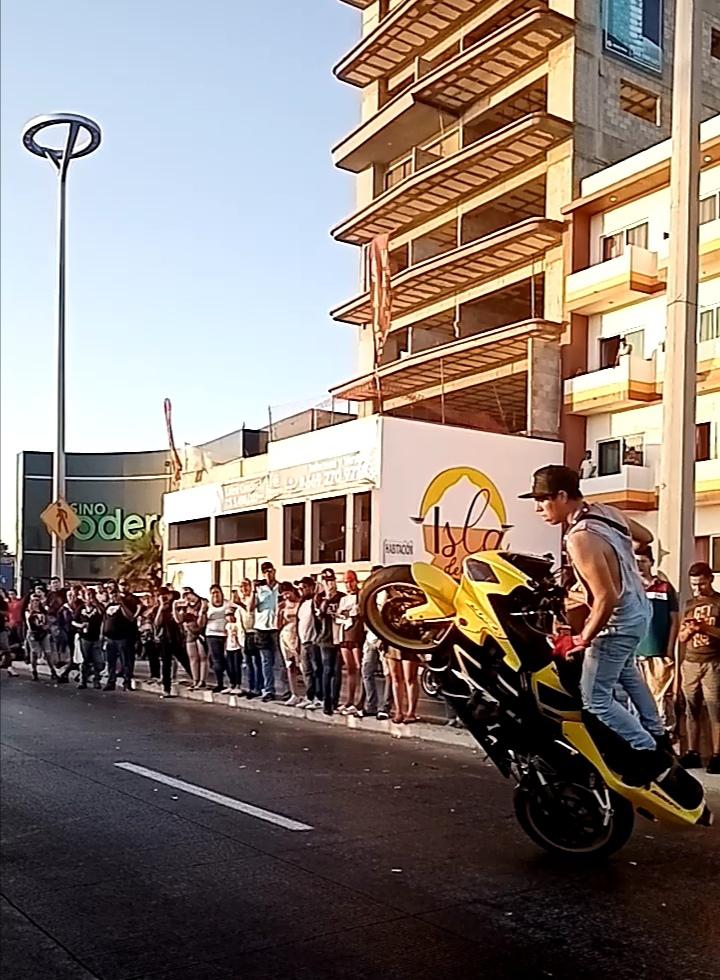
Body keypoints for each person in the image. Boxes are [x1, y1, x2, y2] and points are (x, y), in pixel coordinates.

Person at [520, 464, 667, 784]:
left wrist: (583, 638)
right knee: (627, 673)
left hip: (618, 620)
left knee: (595, 699)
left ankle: (644, 751)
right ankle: (657, 733)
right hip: (640, 611)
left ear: (561, 496)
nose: (537, 509)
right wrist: (616, 559)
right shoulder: (607, 512)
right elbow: (646, 537)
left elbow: (605, 598)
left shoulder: (579, 538)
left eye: (542, 500)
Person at [678, 562, 720, 775]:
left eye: (701, 584)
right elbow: (681, 637)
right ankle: (692, 751)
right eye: (694, 585)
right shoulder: (688, 604)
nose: (697, 589)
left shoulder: (719, 602)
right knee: (690, 708)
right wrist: (690, 631)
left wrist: (705, 628)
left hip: (713, 663)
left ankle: (717, 754)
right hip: (691, 662)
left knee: (715, 709)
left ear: (710, 580)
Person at [635, 549, 680, 730]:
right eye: (636, 561)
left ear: (652, 563)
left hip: (657, 652)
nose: (639, 565)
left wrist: (669, 649)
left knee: (660, 696)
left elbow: (675, 620)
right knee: (636, 697)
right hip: (634, 652)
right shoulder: (630, 587)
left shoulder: (665, 587)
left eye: (643, 561)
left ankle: (665, 734)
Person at [252, 562, 284, 702]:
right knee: (266, 661)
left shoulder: (280, 587)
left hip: (276, 627)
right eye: (265, 572)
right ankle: (269, 689)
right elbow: (251, 607)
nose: (268, 574)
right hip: (262, 627)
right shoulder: (259, 588)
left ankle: (286, 689)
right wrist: (254, 590)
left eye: (270, 571)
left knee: (280, 660)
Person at [315, 569, 345, 716]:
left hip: (339, 638)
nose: (330, 583)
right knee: (327, 670)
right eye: (326, 581)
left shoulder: (342, 597)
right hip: (326, 638)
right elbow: (320, 614)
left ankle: (335, 700)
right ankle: (326, 702)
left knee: (337, 671)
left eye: (332, 580)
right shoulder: (319, 598)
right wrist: (327, 598)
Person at [336, 570, 364, 715]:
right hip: (345, 634)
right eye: (346, 582)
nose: (348, 584)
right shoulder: (344, 599)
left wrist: (351, 613)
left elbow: (359, 612)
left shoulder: (361, 596)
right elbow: (339, 616)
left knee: (360, 667)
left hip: (357, 634)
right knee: (350, 668)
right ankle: (349, 699)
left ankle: (360, 700)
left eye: (350, 581)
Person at [102, 582, 138, 692]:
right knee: (111, 662)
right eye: (112, 596)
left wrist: (122, 604)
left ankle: (127, 682)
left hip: (122, 637)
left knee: (125, 661)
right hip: (110, 638)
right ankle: (111, 681)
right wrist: (102, 635)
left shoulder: (126, 604)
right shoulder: (109, 606)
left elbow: (130, 618)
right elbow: (104, 620)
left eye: (115, 595)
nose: (114, 598)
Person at [173, 588, 208, 690]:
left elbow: (201, 623)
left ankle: (202, 680)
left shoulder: (202, 603)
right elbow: (179, 620)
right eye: (184, 595)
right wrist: (174, 608)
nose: (186, 596)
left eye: (188, 594)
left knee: (202, 657)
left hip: (200, 632)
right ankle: (195, 680)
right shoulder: (185, 606)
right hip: (190, 632)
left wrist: (201, 611)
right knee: (193, 657)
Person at [297, 576, 322, 710]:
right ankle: (310, 696)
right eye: (300, 588)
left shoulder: (314, 601)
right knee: (307, 671)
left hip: (313, 641)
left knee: (317, 670)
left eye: (304, 587)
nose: (302, 590)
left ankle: (319, 697)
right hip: (303, 641)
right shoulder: (302, 603)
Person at [74, 589, 105, 689]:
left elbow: (103, 616)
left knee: (98, 661)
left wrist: (96, 604)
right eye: (88, 596)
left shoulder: (98, 608)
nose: (90, 598)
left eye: (92, 595)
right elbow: (73, 621)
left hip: (95, 637)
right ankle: (83, 680)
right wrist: (80, 625)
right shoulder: (81, 608)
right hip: (84, 637)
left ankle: (96, 679)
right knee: (84, 660)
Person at [277, 582, 302, 707]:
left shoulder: (300, 603)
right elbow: (278, 625)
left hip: (298, 635)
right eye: (283, 594)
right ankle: (294, 694)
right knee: (290, 665)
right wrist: (278, 612)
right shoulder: (283, 605)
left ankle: (310, 693)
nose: (286, 596)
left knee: (302, 666)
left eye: (287, 593)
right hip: (286, 635)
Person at [236, 579, 261, 698]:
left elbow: (250, 609)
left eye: (246, 585)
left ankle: (258, 687)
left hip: (254, 632)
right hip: (244, 635)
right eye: (241, 586)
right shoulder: (239, 601)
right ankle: (249, 686)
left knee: (257, 662)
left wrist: (253, 592)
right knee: (247, 663)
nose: (244, 588)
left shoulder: (254, 599)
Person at [205, 584, 232, 694]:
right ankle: (219, 683)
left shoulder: (227, 603)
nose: (215, 595)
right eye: (213, 593)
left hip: (226, 634)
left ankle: (232, 682)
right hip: (212, 634)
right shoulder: (208, 606)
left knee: (228, 659)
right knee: (216, 660)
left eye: (217, 592)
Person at [25, 595, 55, 682]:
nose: (35, 603)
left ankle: (53, 671)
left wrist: (47, 626)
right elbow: (29, 622)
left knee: (48, 653)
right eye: (34, 601)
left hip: (43, 634)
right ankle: (34, 671)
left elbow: (48, 620)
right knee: (34, 653)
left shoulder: (43, 611)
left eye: (37, 601)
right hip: (33, 633)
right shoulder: (28, 611)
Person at [225, 609, 242, 695]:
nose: (230, 617)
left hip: (237, 647)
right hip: (229, 647)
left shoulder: (237, 625)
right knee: (230, 667)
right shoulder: (227, 625)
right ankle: (232, 683)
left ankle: (238, 685)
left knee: (236, 667)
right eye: (228, 616)